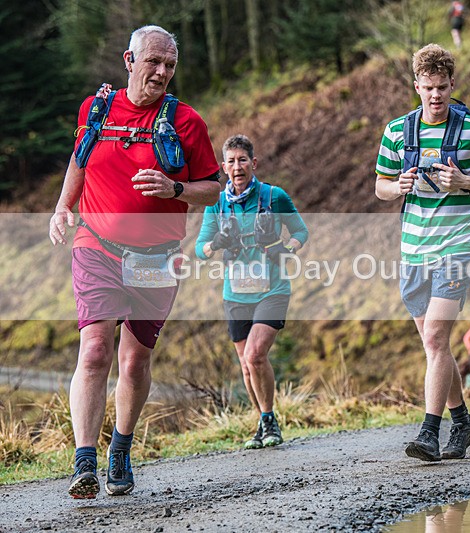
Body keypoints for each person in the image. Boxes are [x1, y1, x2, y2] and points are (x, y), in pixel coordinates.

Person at [48, 25, 221, 499]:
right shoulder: (95, 108)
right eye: (154, 62)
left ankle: (120, 448)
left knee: (135, 358)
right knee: (96, 349)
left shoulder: (187, 122)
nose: (162, 72)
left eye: (170, 65)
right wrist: (64, 206)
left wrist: (176, 189)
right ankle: (84, 461)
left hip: (156, 258)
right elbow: (79, 159)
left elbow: (214, 186)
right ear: (130, 59)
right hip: (97, 244)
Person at [375, 43, 470, 462]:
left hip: (457, 244)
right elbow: (380, 186)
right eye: (428, 87)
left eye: (442, 87)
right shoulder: (396, 131)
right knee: (436, 347)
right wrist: (395, 187)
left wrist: (466, 182)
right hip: (414, 247)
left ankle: (430, 433)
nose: (435, 95)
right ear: (416, 85)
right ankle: (464, 422)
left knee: (435, 337)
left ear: (453, 84)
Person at [195, 134, 308, 449]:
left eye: (242, 160)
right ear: (223, 167)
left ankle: (269, 419)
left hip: (273, 288)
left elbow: (301, 231)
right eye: (230, 161)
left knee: (256, 355)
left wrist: (286, 249)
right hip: (235, 293)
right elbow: (199, 250)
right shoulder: (216, 203)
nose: (237, 166)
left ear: (253, 163)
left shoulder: (273, 196)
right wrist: (215, 243)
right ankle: (263, 423)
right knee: (246, 363)